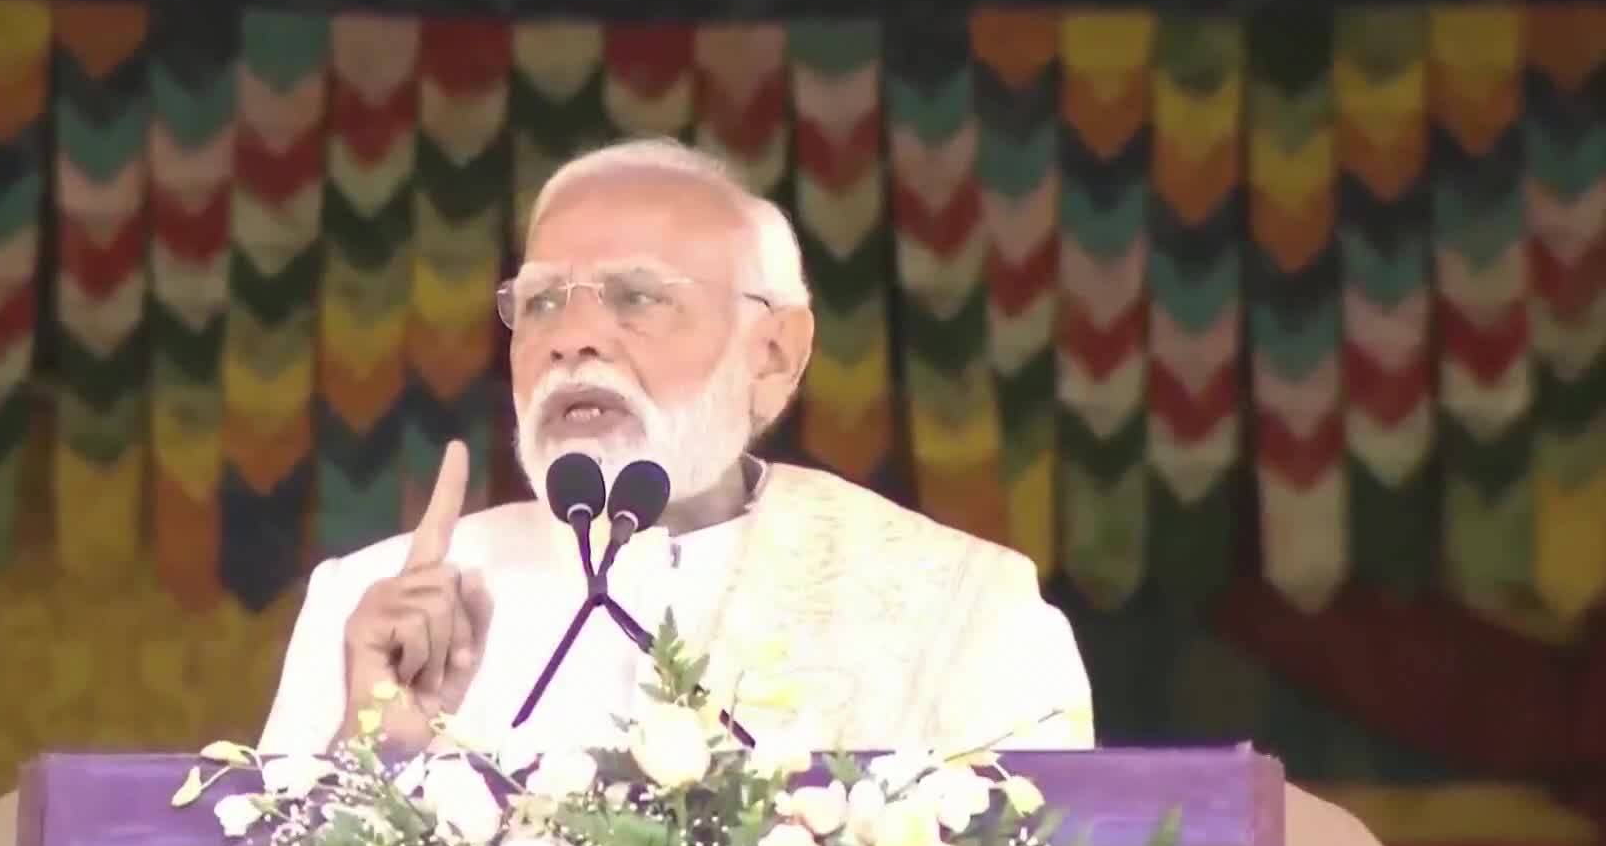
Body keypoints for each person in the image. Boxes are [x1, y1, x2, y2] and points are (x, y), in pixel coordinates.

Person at [258, 138, 1093, 760]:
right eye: (542, 303)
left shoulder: (963, 608)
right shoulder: (373, 607)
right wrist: (376, 751)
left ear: (773, 353)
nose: (572, 341)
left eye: (637, 297)